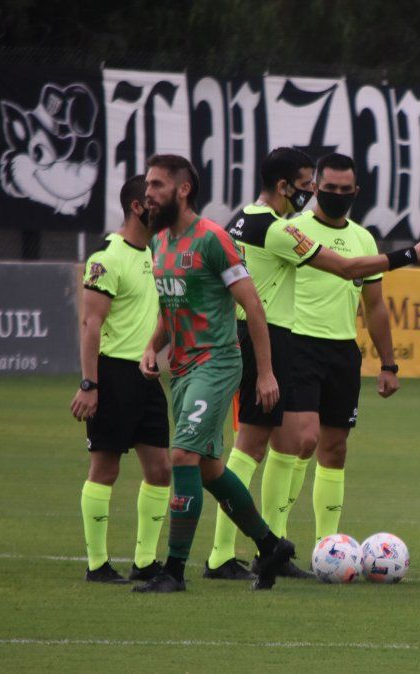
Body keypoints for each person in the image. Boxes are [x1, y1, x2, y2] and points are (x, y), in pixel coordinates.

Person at [204, 148, 420, 580]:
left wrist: (388, 362)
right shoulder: (280, 229)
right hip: (273, 339)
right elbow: (346, 268)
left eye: (328, 187)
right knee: (257, 445)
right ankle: (231, 552)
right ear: (283, 186)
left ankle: (278, 548)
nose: (314, 193)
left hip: (280, 341)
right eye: (311, 185)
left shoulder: (244, 219)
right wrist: (410, 254)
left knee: (295, 442)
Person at [132, 153, 292, 593]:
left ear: (183, 189)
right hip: (181, 370)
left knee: (181, 456)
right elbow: (172, 306)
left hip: (217, 362)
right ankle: (270, 545)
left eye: (158, 185)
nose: (149, 192)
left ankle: (174, 571)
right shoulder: (158, 242)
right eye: (148, 185)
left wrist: (265, 374)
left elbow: (252, 306)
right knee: (207, 468)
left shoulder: (213, 239)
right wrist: (152, 347)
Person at [285, 152, 401, 545]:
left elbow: (375, 306)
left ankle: (327, 546)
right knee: (304, 440)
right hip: (297, 345)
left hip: (342, 353)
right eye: (328, 188)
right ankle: (276, 537)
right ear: (314, 187)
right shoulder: (291, 230)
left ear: (356, 191)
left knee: (334, 449)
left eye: (344, 190)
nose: (336, 194)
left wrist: (389, 364)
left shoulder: (363, 238)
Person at [70, 175, 171, 584]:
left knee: (161, 469)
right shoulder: (107, 257)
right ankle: (97, 565)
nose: (162, 209)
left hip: (147, 376)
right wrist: (89, 384)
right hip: (112, 374)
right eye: (156, 202)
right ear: (136, 206)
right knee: (105, 469)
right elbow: (90, 324)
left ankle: (145, 561)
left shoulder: (157, 253)